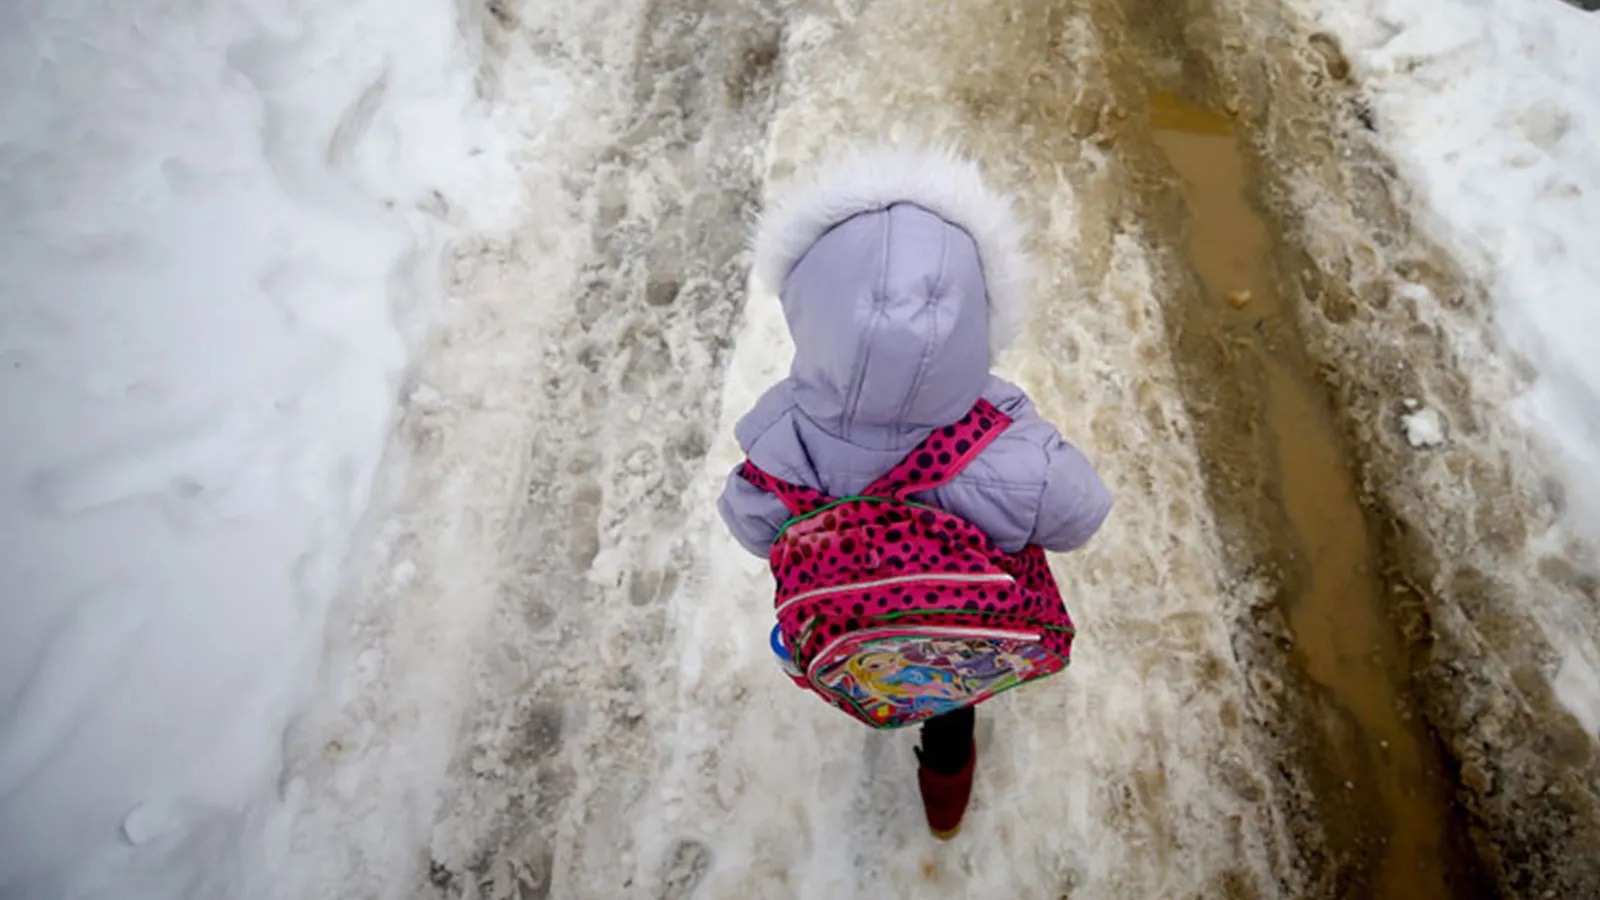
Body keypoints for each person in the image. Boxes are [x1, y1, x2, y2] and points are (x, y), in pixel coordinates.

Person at [717, 146, 1112, 837]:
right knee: (948, 702)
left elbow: (750, 522)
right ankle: (945, 805)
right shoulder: (1009, 453)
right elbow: (1080, 515)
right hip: (952, 624)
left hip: (851, 624)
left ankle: (873, 692)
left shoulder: (783, 438)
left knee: (878, 660)